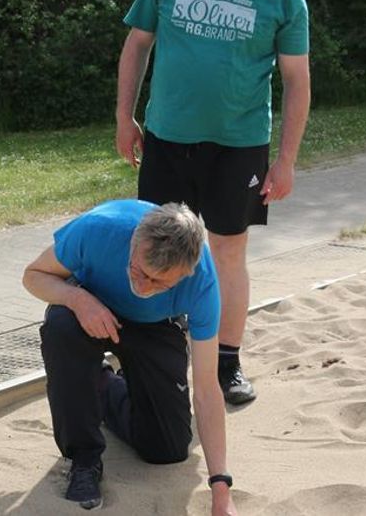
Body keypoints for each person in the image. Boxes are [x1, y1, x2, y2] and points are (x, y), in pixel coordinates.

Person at [115, 0, 311, 405]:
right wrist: (124, 117)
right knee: (154, 245)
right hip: (167, 138)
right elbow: (138, 43)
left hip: (239, 145)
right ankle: (151, 354)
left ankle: (227, 362)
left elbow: (296, 80)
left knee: (228, 250)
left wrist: (286, 160)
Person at [23, 199, 236, 514]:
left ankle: (103, 383)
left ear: (185, 273)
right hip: (91, 307)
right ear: (134, 242)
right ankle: (83, 460)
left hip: (155, 324)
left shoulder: (203, 282)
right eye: (139, 270)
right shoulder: (97, 229)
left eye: (159, 281)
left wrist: (221, 489)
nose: (143, 285)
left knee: (167, 448)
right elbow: (33, 275)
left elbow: (206, 390)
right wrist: (76, 298)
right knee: (61, 329)